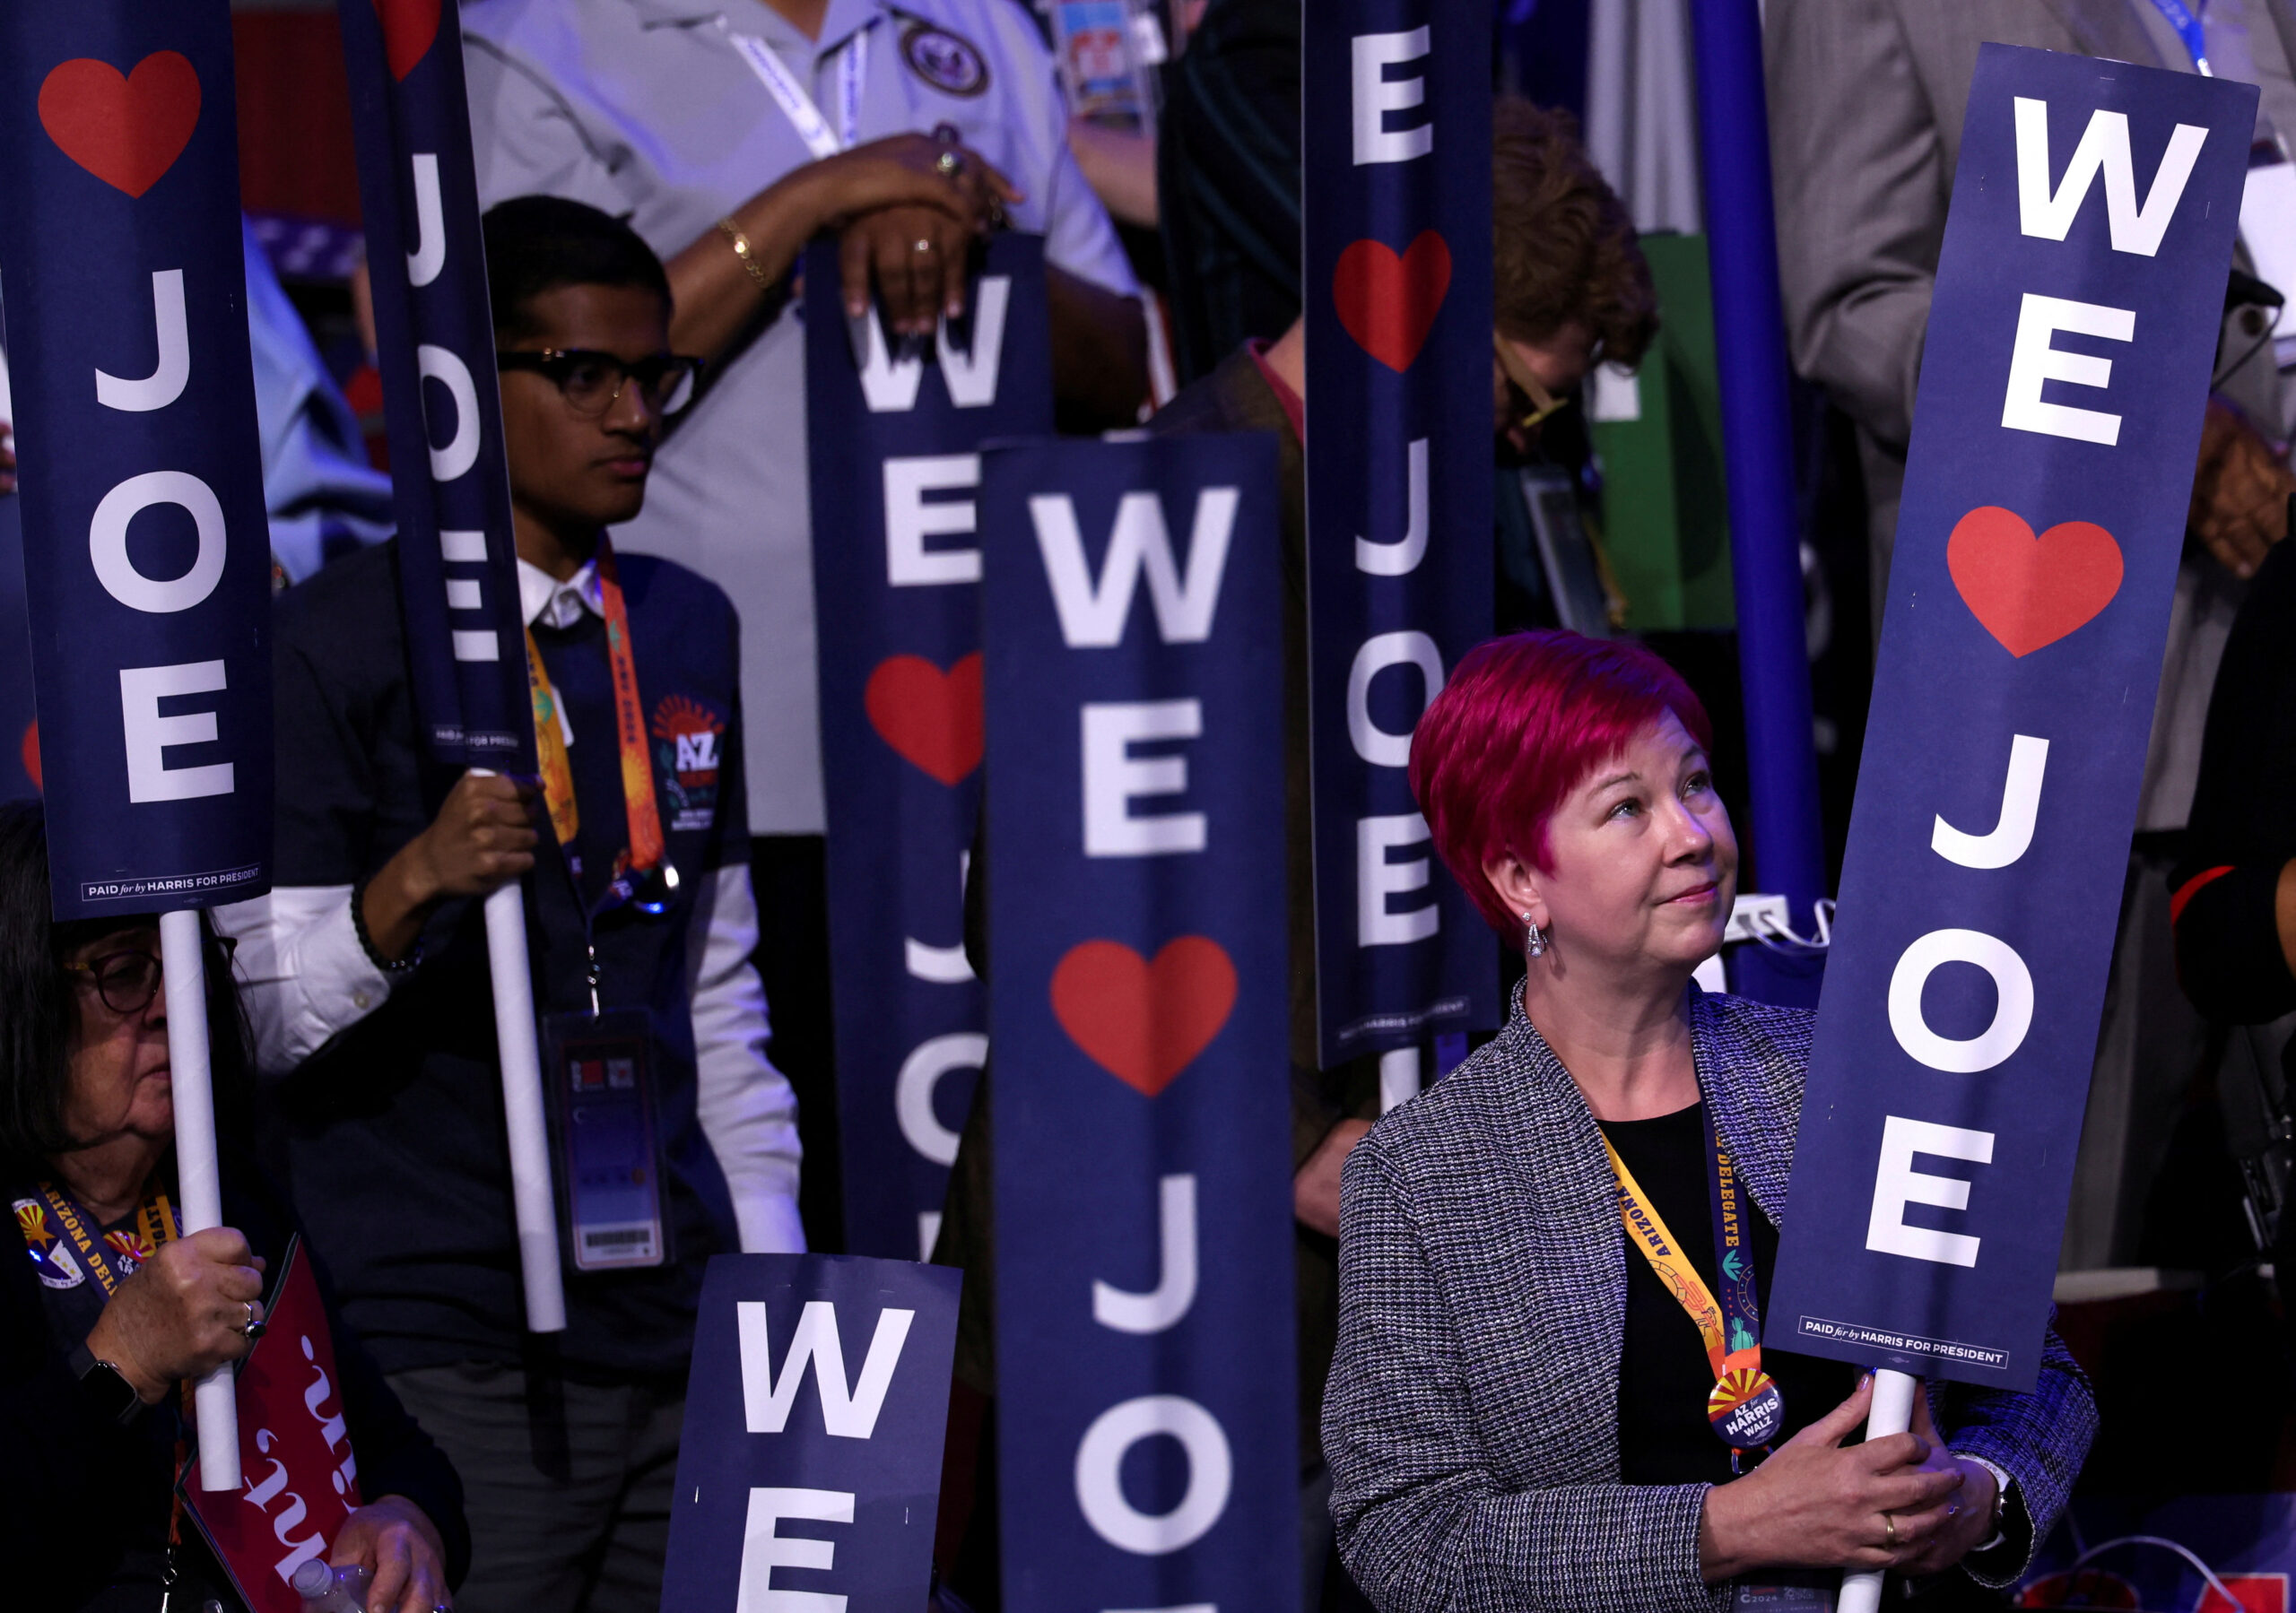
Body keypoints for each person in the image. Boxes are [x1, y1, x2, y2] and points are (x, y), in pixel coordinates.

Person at [928, 96, 1659, 1610]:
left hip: (1341, 1277)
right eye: (1522, 407)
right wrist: (1282, 1141)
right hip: (1159, 1284)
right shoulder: (1171, 499)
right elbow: (1040, 902)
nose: (1527, 450)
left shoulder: (1405, 526)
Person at [460, 0, 1152, 1241]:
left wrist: (956, 225)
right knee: (751, 1201)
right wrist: (819, 200)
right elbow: (510, 368)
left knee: (988, 1237)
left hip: (980, 758)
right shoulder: (539, 37)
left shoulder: (980, 23)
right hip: (688, 746)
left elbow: (1117, 352)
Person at [217, 196, 801, 1612]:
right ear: (467, 389)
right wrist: (408, 886)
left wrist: (770, 1287)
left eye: (651, 375)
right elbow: (256, 1017)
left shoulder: (682, 621)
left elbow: (712, 984)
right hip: (442, 1327)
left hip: (673, 1310)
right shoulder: (330, 642)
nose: (633, 413)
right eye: (582, 372)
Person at [1322, 631, 2096, 1609]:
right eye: (1626, 808)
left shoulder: (1849, 1072)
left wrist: (1979, 1496)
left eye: (1694, 783)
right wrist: (1725, 1530)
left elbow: (2038, 1374)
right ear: (1520, 877)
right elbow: (1405, 1537)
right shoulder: (1422, 1171)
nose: (1690, 833)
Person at [1766, 0, 2296, 1273]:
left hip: (2281, 718)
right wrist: (2155, 419)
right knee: (2055, 1284)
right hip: (2072, 723)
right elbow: (1853, 302)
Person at [0, 801, 467, 1613]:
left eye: (179, 966)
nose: (168, 1006)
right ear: (22, 998)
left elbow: (403, 1451)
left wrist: (408, 1521)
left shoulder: (227, 1194)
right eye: (121, 972)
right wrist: (122, 1366)